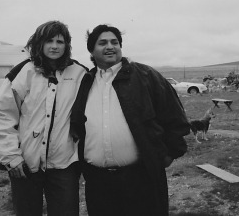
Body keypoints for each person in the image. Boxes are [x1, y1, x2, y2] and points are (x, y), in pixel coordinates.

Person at [70, 24, 190, 216]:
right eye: (103, 43)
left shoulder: (145, 76)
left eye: (114, 42)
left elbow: (175, 117)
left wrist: (167, 155)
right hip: (98, 183)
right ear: (91, 50)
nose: (110, 46)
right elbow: (77, 124)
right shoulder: (86, 82)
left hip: (141, 179)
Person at [0, 20, 87, 216]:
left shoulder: (79, 73)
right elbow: (2, 115)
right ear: (39, 43)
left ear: (67, 45)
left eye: (60, 41)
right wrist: (11, 157)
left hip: (64, 164)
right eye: (49, 41)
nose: (54, 46)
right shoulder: (24, 72)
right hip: (25, 163)